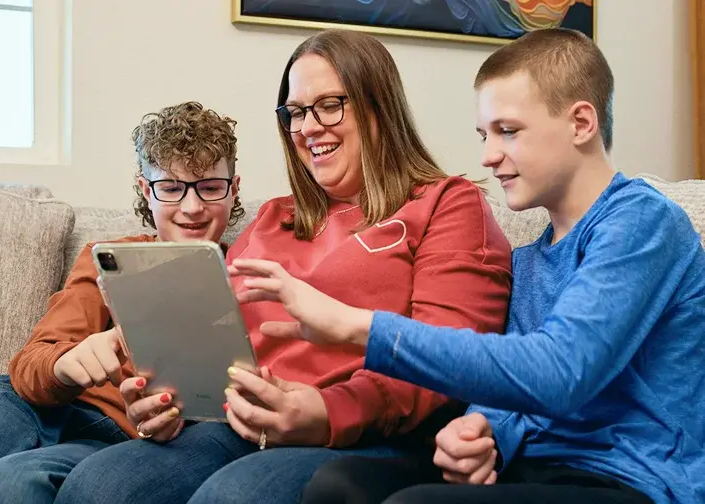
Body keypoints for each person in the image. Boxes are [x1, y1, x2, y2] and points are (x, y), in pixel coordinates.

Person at [230, 28, 705, 504]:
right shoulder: (533, 259)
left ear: (581, 123)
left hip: (632, 479)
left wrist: (358, 327)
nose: (487, 156)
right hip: (534, 468)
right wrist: (484, 432)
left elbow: (560, 372)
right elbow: (511, 382)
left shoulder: (643, 221)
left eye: (508, 131)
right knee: (340, 486)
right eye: (484, 135)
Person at [51, 29, 513, 504]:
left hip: (374, 435)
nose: (308, 127)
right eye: (295, 112)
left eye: (329, 105)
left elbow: (452, 358)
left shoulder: (447, 205)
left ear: (378, 107)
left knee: (233, 497)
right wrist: (169, 402)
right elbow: (215, 345)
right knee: (98, 486)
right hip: (241, 423)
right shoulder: (273, 217)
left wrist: (327, 410)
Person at [0, 101, 246, 504]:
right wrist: (67, 362)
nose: (191, 207)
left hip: (113, 440)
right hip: (29, 404)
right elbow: (31, 365)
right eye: (170, 188)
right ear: (144, 190)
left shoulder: (247, 277)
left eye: (209, 187)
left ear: (233, 189)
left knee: (13, 484)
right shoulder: (106, 256)